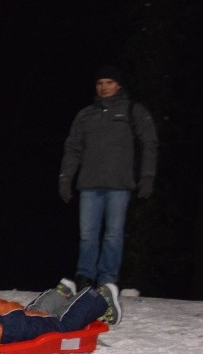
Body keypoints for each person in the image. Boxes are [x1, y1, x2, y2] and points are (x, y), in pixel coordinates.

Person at [58, 66, 159, 290]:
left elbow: (149, 143)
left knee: (113, 236)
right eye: (100, 83)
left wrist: (147, 176)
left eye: (109, 82)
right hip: (89, 184)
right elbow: (73, 148)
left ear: (119, 85)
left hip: (119, 184)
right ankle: (85, 276)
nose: (104, 87)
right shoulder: (85, 115)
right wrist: (66, 178)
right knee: (87, 235)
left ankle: (107, 279)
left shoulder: (134, 111)